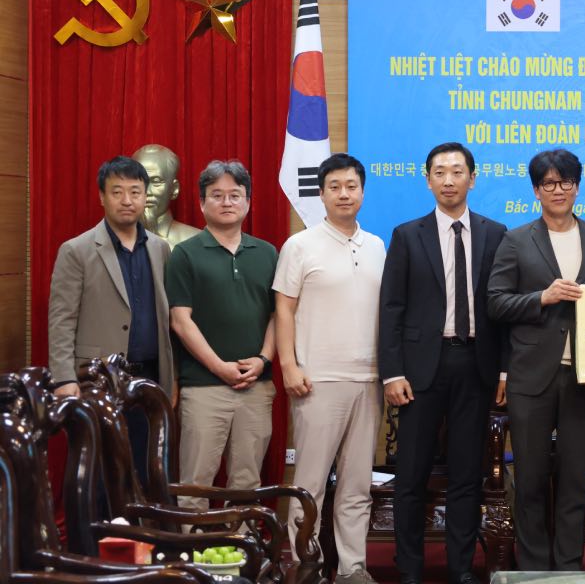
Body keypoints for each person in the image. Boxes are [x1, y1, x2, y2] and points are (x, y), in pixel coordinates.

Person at [379, 143, 508, 584]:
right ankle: (410, 569)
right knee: (411, 475)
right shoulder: (407, 235)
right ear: (428, 180)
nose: (448, 180)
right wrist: (392, 372)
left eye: (457, 171)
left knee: (468, 474)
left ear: (473, 178)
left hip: (476, 365)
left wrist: (504, 370)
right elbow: (391, 309)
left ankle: (461, 568)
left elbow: (502, 309)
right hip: (419, 371)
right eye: (440, 172)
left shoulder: (496, 234)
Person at [487, 148, 585, 571]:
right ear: (536, 190)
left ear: (577, 187)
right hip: (530, 377)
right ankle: (533, 570)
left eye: (565, 182)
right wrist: (541, 297)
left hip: (582, 377)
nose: (557, 190)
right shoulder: (515, 239)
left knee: (575, 481)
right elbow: (495, 302)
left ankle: (569, 568)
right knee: (529, 481)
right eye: (548, 183)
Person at [273, 152, 387, 584]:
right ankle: (308, 566)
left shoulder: (376, 246)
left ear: (363, 192)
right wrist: (289, 365)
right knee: (310, 485)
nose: (344, 194)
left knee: (357, 486)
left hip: (369, 380)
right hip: (317, 380)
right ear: (321, 194)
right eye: (334, 187)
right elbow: (284, 310)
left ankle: (353, 568)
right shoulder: (300, 245)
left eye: (351, 186)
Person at [47, 155, 174, 474]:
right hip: (97, 379)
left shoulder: (159, 248)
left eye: (135, 191)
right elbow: (61, 320)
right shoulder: (77, 250)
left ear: (145, 196)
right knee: (99, 471)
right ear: (102, 196)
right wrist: (64, 378)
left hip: (150, 378)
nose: (127, 200)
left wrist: (172, 380)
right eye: (117, 192)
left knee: (145, 468)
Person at [165, 160, 278, 513]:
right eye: (217, 195)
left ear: (248, 202)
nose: (227, 202)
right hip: (203, 387)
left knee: (247, 482)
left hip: (256, 386)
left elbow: (277, 315)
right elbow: (180, 321)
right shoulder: (185, 254)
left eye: (235, 195)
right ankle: (192, 547)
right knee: (195, 482)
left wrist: (263, 359)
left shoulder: (267, 253)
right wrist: (219, 367)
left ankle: (240, 546)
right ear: (202, 203)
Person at [133, 144, 200, 246]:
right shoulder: (112, 241)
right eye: (139, 181)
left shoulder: (196, 243)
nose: (146, 191)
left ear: (174, 189)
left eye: (156, 181)